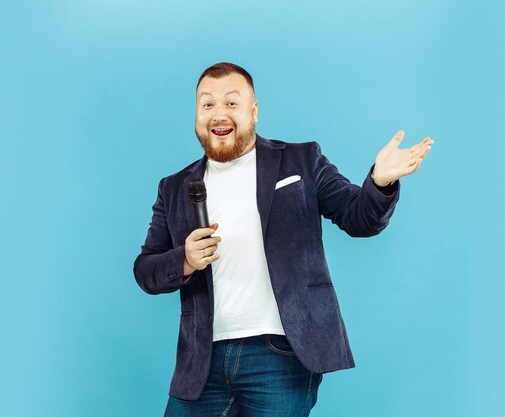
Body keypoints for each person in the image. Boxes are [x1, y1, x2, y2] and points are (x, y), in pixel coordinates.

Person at [133, 62, 433, 416]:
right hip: (201, 360)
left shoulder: (301, 161)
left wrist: (380, 182)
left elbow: (359, 218)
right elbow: (145, 269)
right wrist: (184, 260)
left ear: (253, 111)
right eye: (207, 104)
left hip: (280, 354)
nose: (218, 113)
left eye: (231, 102)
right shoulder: (174, 187)